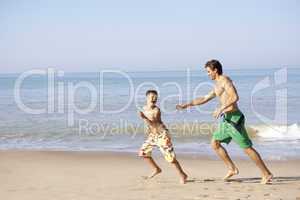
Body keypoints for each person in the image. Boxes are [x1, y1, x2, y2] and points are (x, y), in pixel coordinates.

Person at [176, 59, 273, 184]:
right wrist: (187, 105)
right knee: (214, 144)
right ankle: (232, 169)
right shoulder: (217, 84)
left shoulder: (225, 81)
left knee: (247, 148)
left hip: (234, 119)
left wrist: (221, 108)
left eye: (208, 71)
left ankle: (266, 173)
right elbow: (205, 98)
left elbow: (234, 97)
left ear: (215, 70)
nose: (208, 74)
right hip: (226, 120)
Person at [138, 90, 188, 184]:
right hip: (153, 135)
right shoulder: (144, 109)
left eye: (155, 97)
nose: (154, 98)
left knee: (170, 158)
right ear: (147, 97)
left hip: (162, 135)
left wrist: (144, 117)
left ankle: (182, 174)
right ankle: (157, 169)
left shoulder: (156, 110)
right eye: (152, 96)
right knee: (143, 153)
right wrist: (148, 131)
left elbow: (155, 124)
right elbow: (148, 125)